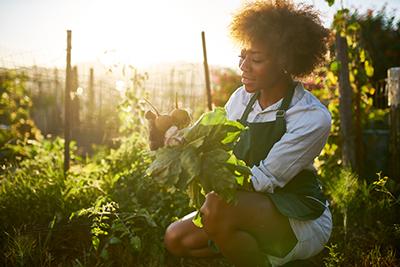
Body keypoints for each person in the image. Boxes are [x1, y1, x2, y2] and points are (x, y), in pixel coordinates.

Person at [162, 1, 332, 266]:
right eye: (242, 56)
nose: (244, 66)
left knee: (216, 206)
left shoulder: (310, 116)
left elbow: (263, 180)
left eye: (256, 59)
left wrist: (204, 170)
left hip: (295, 215)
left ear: (285, 62)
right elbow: (213, 138)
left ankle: (279, 252)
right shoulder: (241, 98)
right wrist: (176, 141)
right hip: (243, 206)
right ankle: (252, 249)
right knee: (175, 238)